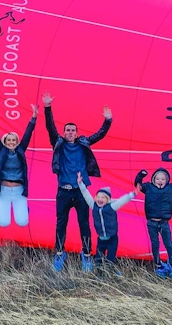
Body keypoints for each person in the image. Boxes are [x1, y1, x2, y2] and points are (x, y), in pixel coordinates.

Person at [43, 91, 112, 272]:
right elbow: (50, 127)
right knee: (61, 223)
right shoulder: (58, 143)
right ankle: (59, 253)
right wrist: (48, 107)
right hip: (63, 191)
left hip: (81, 192)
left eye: (73, 130)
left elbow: (99, 135)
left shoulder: (84, 143)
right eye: (67, 130)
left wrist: (108, 121)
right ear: (64, 132)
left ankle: (87, 254)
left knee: (84, 224)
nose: (70, 133)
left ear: (77, 133)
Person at [0, 100, 37, 228]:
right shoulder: (0, 150)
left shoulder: (21, 150)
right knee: (3, 223)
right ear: (5, 141)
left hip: (19, 190)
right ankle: (1, 212)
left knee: (23, 222)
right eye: (9, 140)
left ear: (17, 141)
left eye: (14, 140)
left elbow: (27, 134)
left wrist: (34, 118)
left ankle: (24, 210)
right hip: (3, 191)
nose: (11, 142)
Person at [78, 172, 139, 274]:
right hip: (101, 238)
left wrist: (132, 194)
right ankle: (100, 273)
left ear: (108, 200)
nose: (100, 199)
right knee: (98, 258)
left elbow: (122, 201)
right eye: (98, 197)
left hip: (112, 239)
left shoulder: (111, 207)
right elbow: (86, 194)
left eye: (103, 197)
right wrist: (81, 184)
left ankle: (110, 272)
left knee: (110, 259)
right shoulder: (93, 206)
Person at [135, 165, 172, 278]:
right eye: (158, 178)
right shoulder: (148, 187)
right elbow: (138, 185)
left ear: (166, 180)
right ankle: (158, 265)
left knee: (168, 243)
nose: (160, 181)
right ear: (154, 179)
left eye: (163, 179)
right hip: (151, 222)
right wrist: (141, 175)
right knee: (155, 244)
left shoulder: (171, 188)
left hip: (164, 222)